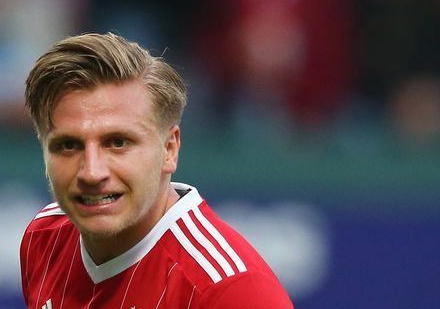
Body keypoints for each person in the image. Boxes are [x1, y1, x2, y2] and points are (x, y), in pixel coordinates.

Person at [20, 33, 293, 308]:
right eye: (68, 145)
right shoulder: (43, 238)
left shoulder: (233, 293)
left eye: (117, 143)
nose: (92, 172)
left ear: (169, 149)